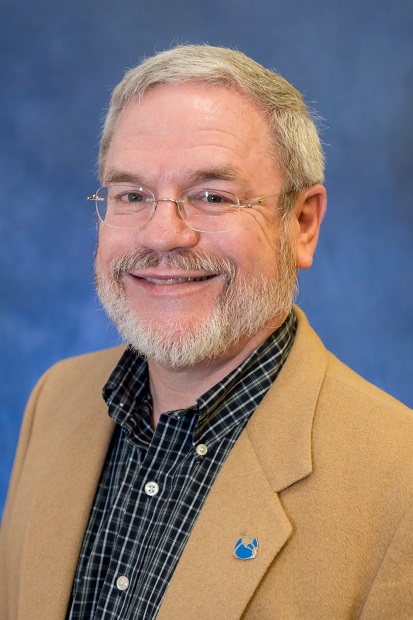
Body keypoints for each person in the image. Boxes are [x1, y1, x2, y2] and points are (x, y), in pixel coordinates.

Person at [1, 44, 413, 620]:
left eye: (212, 197)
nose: (162, 235)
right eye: (132, 195)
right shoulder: (54, 401)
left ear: (301, 223)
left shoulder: (399, 480)